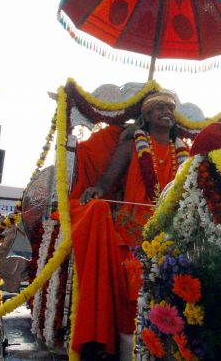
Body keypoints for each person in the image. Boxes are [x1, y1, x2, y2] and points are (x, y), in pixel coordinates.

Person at [68, 91, 188, 360]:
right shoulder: (133, 143)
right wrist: (98, 188)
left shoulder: (183, 152)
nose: (166, 111)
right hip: (133, 233)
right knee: (131, 296)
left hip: (170, 235)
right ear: (146, 116)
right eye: (159, 108)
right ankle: (127, 352)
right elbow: (109, 178)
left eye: (170, 107)